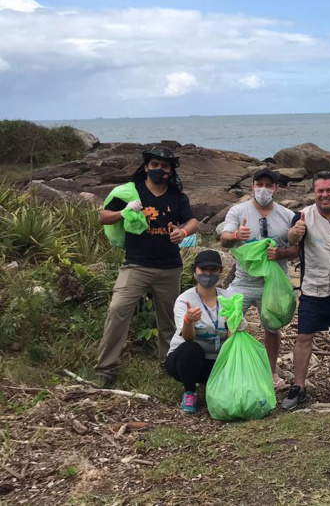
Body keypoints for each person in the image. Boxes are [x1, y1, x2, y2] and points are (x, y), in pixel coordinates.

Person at [95, 146, 198, 386]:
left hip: (170, 267)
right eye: (154, 165)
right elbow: (102, 216)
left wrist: (182, 232)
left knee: (170, 320)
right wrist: (123, 211)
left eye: (164, 166)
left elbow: (192, 221)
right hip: (136, 265)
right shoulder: (131, 192)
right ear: (145, 167)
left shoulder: (176, 195)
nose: (159, 170)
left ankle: (169, 364)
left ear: (171, 170)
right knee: (117, 309)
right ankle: (105, 369)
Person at [281, 171, 330, 409]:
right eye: (320, 191)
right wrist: (295, 233)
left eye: (329, 190)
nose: (324, 195)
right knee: (304, 337)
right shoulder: (303, 215)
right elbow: (292, 239)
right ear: (314, 192)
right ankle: (299, 386)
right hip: (313, 290)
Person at [220, 167, 297, 389]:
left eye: (268, 185)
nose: (263, 189)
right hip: (244, 280)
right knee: (229, 322)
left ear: (276, 188)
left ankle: (270, 371)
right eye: (259, 184)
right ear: (252, 186)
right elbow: (224, 238)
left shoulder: (287, 215)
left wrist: (280, 253)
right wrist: (236, 236)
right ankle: (230, 368)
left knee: (272, 327)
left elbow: (298, 249)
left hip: (274, 283)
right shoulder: (237, 211)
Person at [166, 250, 238, 414]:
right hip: (184, 362)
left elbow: (234, 338)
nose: (207, 274)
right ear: (194, 270)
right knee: (191, 348)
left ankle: (217, 387)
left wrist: (231, 325)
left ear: (220, 271)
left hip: (217, 361)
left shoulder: (229, 298)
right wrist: (188, 320)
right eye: (203, 269)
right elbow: (188, 337)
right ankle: (190, 392)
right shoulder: (185, 300)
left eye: (213, 269)